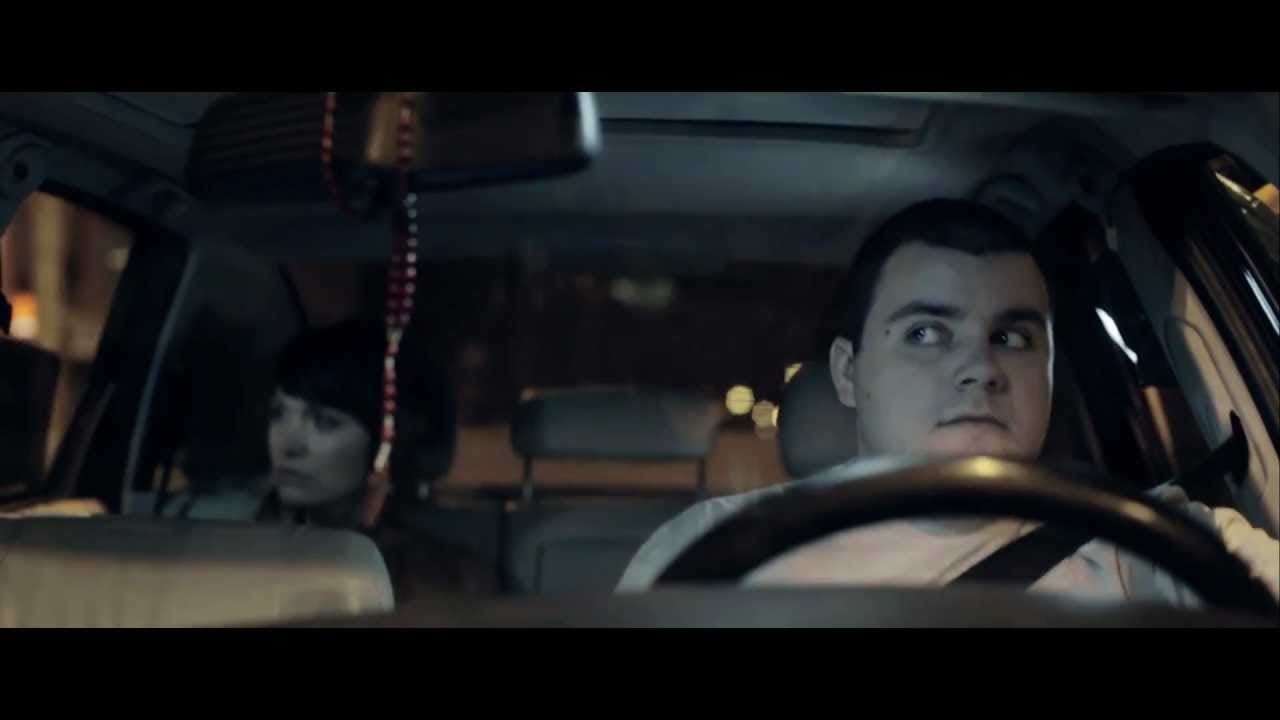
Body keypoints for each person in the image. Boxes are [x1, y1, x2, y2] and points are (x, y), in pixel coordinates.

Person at [616, 199, 1280, 608]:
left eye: (1013, 338)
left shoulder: (1158, 541)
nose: (981, 369)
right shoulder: (717, 551)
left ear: (1050, 370)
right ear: (848, 372)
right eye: (926, 334)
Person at [164, 317, 495, 600]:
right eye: (278, 414)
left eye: (325, 422)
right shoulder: (209, 543)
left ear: (390, 442)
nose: (289, 445)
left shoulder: (444, 580)